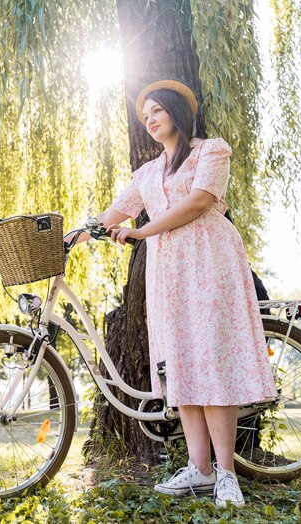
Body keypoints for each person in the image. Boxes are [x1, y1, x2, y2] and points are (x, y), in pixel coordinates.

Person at [72, 79, 276, 508]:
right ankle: (199, 470)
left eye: (157, 112)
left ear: (177, 113)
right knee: (182, 362)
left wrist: (143, 230)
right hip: (170, 274)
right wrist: (76, 235)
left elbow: (201, 201)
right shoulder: (146, 174)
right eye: (145, 116)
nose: (150, 120)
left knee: (211, 363)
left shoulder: (210, 151)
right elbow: (115, 212)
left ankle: (226, 474)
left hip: (209, 262)